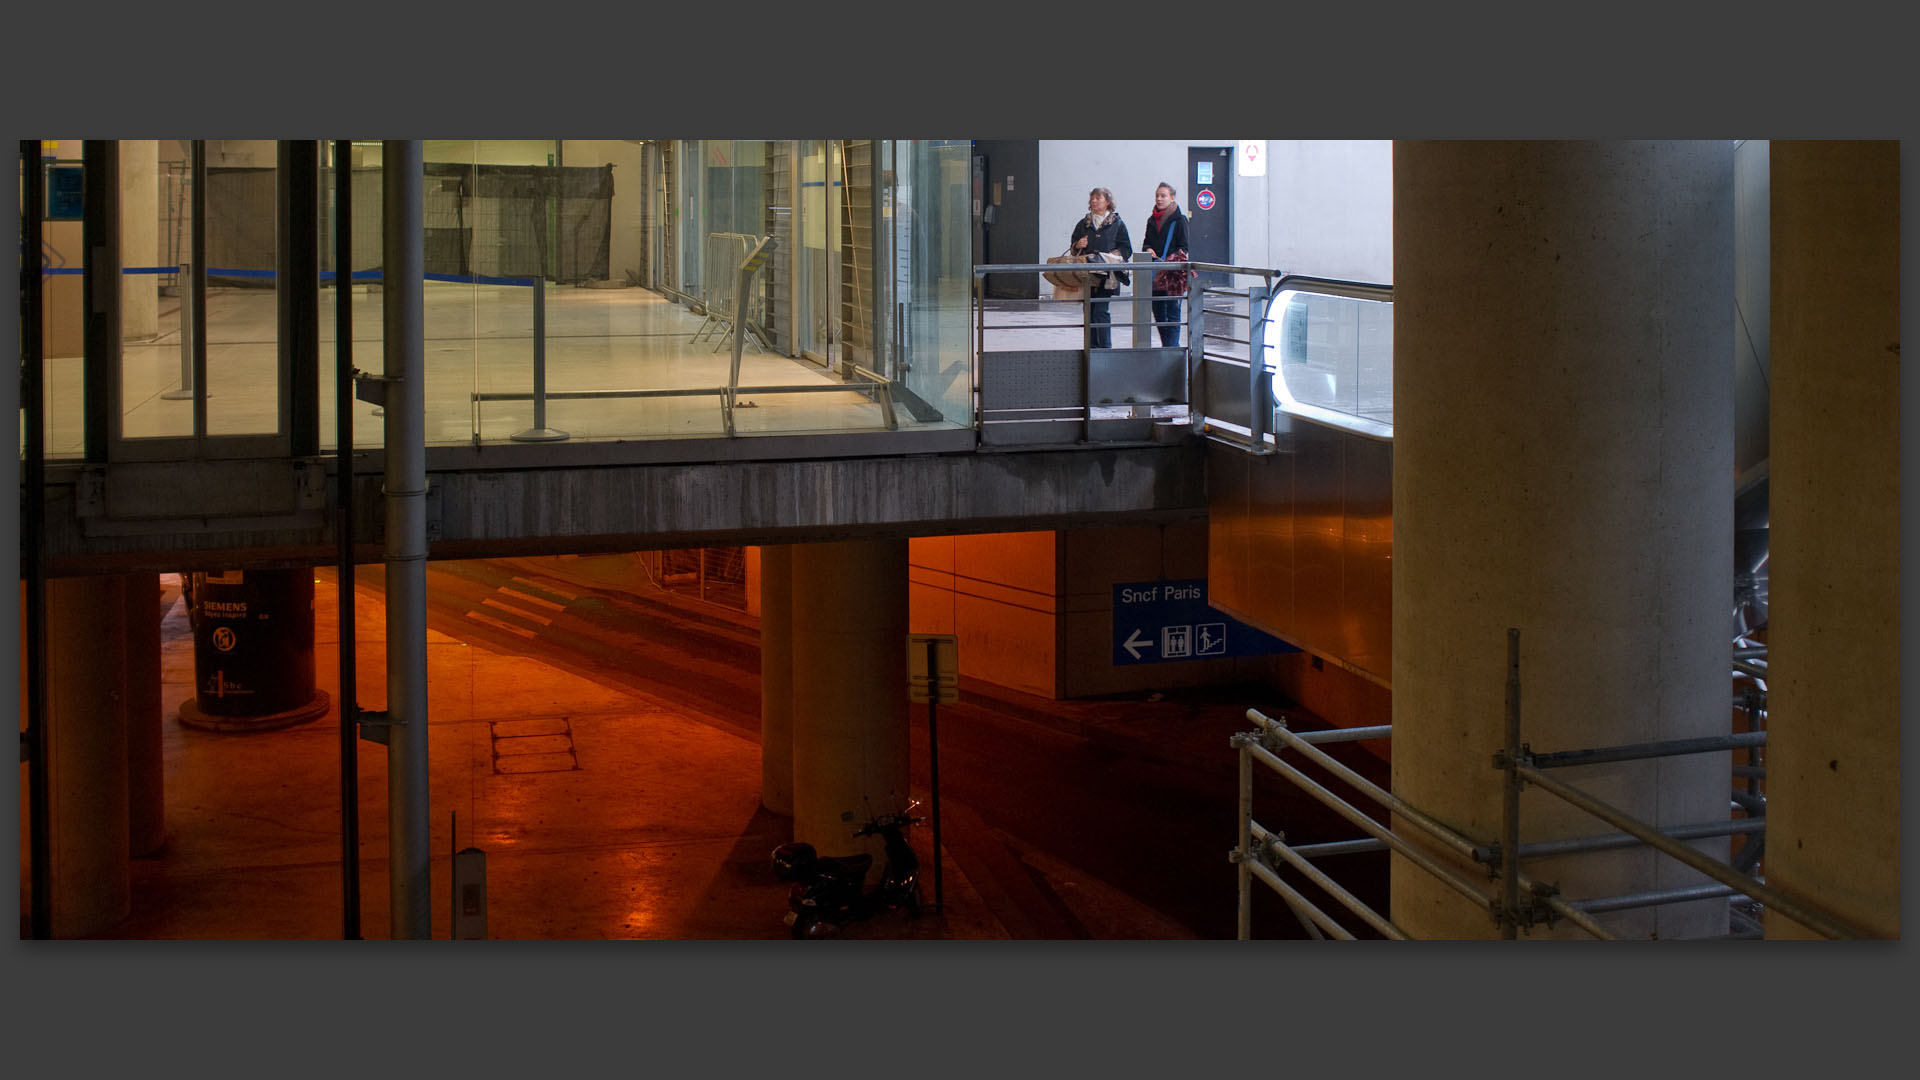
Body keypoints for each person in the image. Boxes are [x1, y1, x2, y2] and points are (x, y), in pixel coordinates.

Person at [1069, 187, 1132, 348]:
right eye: (1092, 198)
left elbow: (1126, 249)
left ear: (1108, 202)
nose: (1094, 201)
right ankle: (1091, 349)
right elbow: (1073, 247)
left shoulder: (1117, 224)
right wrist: (1078, 244)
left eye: (1098, 198)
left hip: (1106, 276)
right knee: (1089, 312)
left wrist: (1110, 255)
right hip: (1087, 275)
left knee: (1100, 311)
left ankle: (1105, 349)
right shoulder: (1084, 224)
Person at [1139, 182, 1189, 347]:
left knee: (1173, 312)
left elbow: (1184, 247)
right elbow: (1145, 243)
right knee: (1159, 311)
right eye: (1157, 196)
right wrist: (1149, 249)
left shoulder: (1179, 220)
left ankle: (1171, 348)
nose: (1159, 199)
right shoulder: (1151, 220)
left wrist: (1171, 258)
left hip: (1172, 274)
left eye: (1163, 196)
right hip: (1156, 272)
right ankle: (1167, 346)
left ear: (1172, 198)